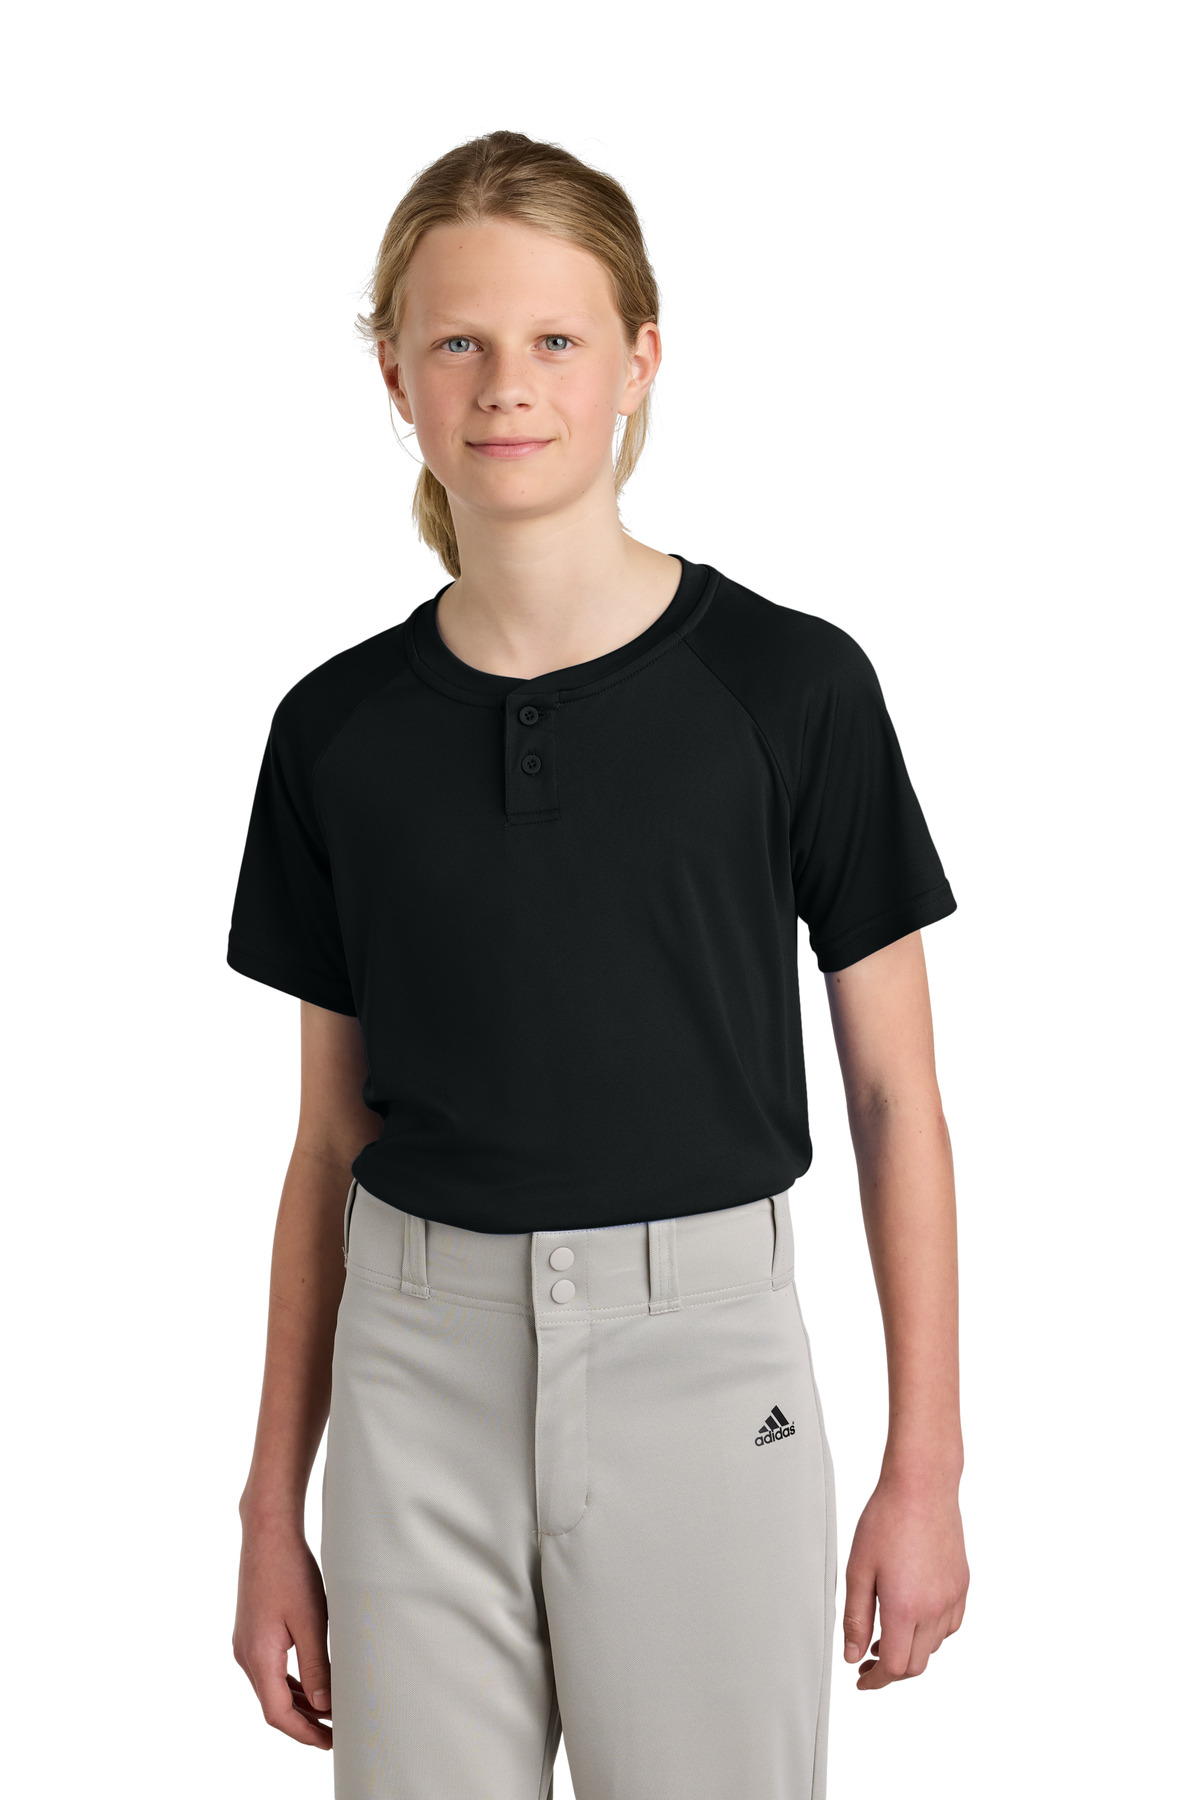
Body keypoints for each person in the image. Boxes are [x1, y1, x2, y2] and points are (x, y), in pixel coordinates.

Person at [227, 128, 969, 1800]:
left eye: (556, 338)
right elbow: (328, 1139)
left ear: (640, 359)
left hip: (705, 1369)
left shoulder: (790, 691)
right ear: (396, 375)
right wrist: (274, 1506)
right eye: (458, 341)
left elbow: (895, 1097)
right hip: (414, 1373)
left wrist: (925, 1463)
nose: (508, 384)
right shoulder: (335, 731)